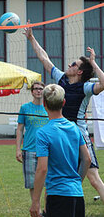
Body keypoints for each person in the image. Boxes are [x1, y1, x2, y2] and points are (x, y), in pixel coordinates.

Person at [24, 23, 104, 202]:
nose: (69, 64)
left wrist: (93, 63)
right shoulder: (61, 78)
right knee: (51, 175)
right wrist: (31, 38)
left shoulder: (85, 87)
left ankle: (71, 194)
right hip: (58, 135)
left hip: (78, 136)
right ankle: (48, 209)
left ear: (80, 71)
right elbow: (44, 59)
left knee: (93, 179)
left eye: (73, 64)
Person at [30, 84, 91, 217]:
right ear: (63, 102)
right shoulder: (74, 127)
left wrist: (35, 202)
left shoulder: (43, 133)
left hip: (58, 196)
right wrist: (76, 182)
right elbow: (87, 159)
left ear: (44, 104)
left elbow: (42, 169)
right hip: (77, 195)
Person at [16, 81, 48, 215]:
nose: (39, 91)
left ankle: (47, 209)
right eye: (36, 89)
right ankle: (37, 209)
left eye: (41, 89)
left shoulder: (49, 108)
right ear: (32, 92)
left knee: (48, 182)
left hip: (46, 150)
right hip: (29, 149)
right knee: (32, 183)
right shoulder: (25, 108)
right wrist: (18, 148)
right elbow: (20, 129)